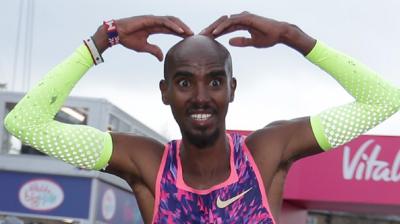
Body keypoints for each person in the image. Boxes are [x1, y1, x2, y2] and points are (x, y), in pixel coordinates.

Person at [4, 12, 400, 223]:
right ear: (164, 93)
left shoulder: (266, 154)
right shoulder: (147, 164)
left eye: (214, 82)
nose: (200, 97)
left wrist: (294, 37)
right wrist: (102, 39)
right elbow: (25, 123)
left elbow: (383, 100)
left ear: (232, 89)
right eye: (183, 82)